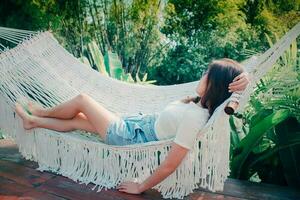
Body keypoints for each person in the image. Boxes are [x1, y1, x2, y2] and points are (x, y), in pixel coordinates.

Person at [15, 58, 249, 195]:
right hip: (135, 124)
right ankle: (33, 121)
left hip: (130, 138)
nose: (202, 75)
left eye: (207, 74)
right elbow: (242, 84)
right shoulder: (197, 104)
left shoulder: (195, 120)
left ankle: (40, 112)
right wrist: (244, 78)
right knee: (78, 121)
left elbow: (170, 164)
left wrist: (141, 187)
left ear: (216, 83)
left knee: (82, 101)